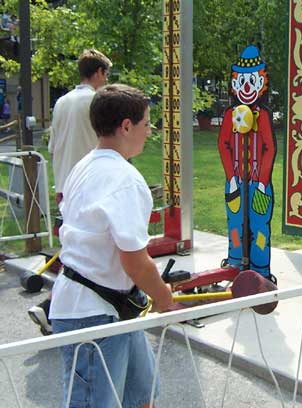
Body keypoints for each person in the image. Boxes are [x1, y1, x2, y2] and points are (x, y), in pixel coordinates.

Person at [49, 84, 174, 408]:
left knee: (141, 396)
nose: (150, 132)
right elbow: (134, 260)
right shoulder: (125, 179)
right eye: (147, 124)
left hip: (111, 308)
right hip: (91, 315)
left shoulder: (84, 166)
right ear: (126, 126)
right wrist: (164, 298)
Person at [27, 49, 112, 336]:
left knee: (75, 253)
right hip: (89, 186)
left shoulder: (61, 101)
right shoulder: (97, 102)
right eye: (106, 75)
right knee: (85, 256)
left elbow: (53, 145)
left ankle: (55, 308)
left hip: (65, 184)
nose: (106, 80)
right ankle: (54, 307)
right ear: (98, 72)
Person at [218, 45, 277, 281]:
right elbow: (224, 145)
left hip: (257, 183)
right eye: (241, 81)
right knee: (235, 224)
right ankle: (235, 262)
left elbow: (269, 148)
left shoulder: (262, 116)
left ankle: (259, 268)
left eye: (251, 81)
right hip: (236, 181)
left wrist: (262, 182)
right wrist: (231, 178)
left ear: (261, 83)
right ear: (234, 83)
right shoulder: (229, 115)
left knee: (259, 226)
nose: (246, 88)